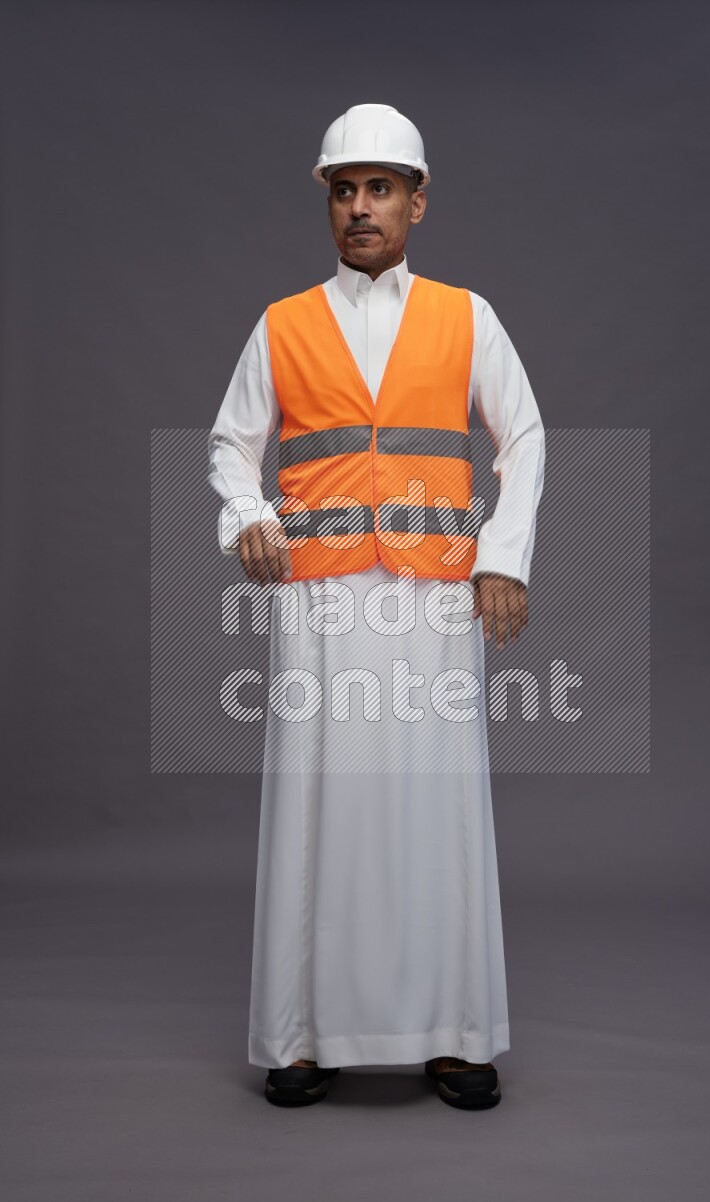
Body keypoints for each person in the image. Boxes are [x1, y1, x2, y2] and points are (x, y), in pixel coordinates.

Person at [207, 103, 546, 1110]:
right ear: (329, 200)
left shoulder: (466, 315)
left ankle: (451, 1031)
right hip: (317, 599)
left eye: (380, 187)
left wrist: (504, 555)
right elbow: (233, 443)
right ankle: (303, 1034)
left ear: (417, 200)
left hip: (435, 597)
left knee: (433, 807)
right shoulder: (280, 324)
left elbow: (520, 434)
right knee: (319, 806)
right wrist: (245, 516)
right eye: (344, 189)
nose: (360, 206)